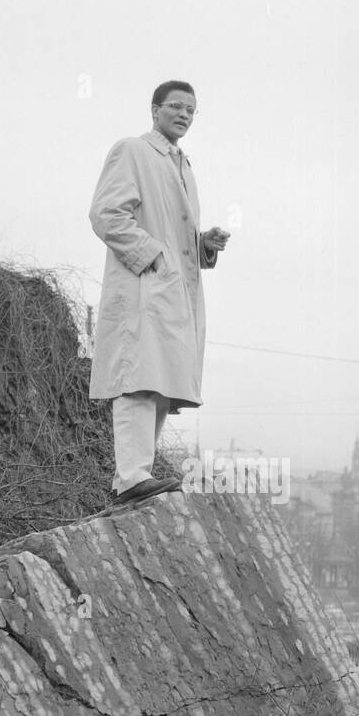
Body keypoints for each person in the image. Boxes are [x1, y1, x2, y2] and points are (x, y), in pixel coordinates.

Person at [88, 80, 231, 504]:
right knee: (137, 379)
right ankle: (130, 476)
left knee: (161, 384)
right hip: (144, 287)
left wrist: (203, 243)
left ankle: (136, 477)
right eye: (176, 106)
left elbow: (173, 230)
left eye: (192, 109)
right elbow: (105, 214)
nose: (184, 114)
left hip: (172, 292)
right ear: (155, 110)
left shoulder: (183, 164)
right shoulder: (132, 150)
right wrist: (153, 256)